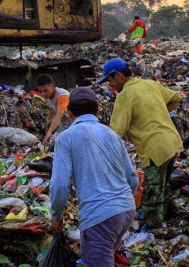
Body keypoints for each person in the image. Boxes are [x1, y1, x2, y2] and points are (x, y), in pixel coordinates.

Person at [50, 87, 138, 267]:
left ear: (69, 113)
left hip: (100, 217)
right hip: (126, 211)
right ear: (97, 112)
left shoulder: (65, 138)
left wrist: (56, 217)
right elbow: (132, 178)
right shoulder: (112, 134)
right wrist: (122, 202)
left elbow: (60, 185)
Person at [99, 58, 182, 229]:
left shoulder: (125, 95)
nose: (110, 85)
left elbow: (116, 132)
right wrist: (158, 114)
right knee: (163, 186)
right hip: (172, 143)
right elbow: (177, 97)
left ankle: (154, 230)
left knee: (152, 192)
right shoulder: (150, 84)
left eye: (110, 80)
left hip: (155, 148)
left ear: (119, 75)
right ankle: (167, 219)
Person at [35, 74, 72, 145]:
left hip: (73, 126)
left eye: (45, 90)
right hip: (63, 126)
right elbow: (51, 108)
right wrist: (50, 118)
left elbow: (60, 114)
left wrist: (49, 132)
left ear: (52, 86)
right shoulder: (48, 96)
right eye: (41, 91)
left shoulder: (62, 96)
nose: (43, 94)